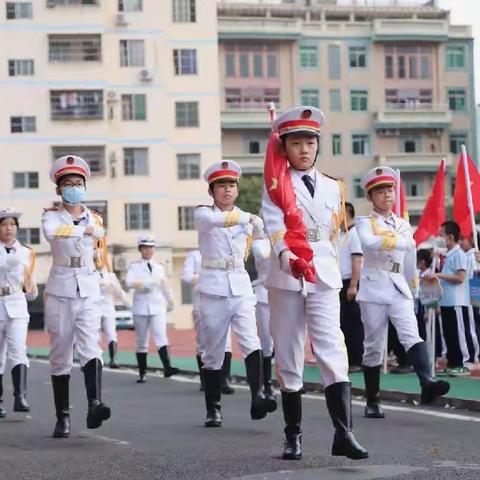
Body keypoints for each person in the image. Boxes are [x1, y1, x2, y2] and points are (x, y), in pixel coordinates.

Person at [262, 106, 368, 461]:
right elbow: (274, 226)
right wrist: (286, 256)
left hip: (322, 272)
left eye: (310, 142)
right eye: (296, 143)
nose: (304, 149)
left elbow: (335, 234)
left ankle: (344, 433)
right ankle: (293, 436)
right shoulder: (276, 183)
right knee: (289, 353)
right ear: (284, 147)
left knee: (332, 348)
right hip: (288, 273)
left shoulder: (333, 186)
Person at [355, 166, 450, 420]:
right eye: (381, 191)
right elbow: (370, 243)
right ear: (370, 196)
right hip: (374, 286)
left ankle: (427, 381)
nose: (387, 195)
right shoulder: (365, 222)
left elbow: (409, 259)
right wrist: (403, 240)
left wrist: (415, 286)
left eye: (390, 190)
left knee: (412, 335)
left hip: (398, 285)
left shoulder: (403, 224)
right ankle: (373, 400)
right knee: (373, 347)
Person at [195, 160, 273, 428]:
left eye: (231, 185)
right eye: (221, 185)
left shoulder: (248, 221)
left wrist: (264, 236)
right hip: (213, 288)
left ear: (237, 190)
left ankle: (258, 397)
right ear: (212, 191)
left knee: (252, 341)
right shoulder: (204, 214)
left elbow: (261, 251)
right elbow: (219, 221)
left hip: (240, 285)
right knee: (214, 353)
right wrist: (252, 219)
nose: (227, 190)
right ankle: (213, 408)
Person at [42, 155, 111, 438]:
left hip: (89, 288)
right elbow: (52, 234)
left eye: (78, 183)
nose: (74, 188)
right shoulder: (51, 215)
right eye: (68, 184)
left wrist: (89, 227)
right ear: (59, 190)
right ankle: (63, 416)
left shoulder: (95, 217)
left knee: (91, 347)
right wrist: (83, 229)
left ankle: (94, 403)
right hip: (61, 291)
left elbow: (101, 235)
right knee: (60, 354)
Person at [125, 235, 179, 382]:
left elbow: (165, 287)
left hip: (157, 306)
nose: (148, 251)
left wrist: (171, 302)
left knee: (161, 337)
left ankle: (167, 367)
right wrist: (148, 283)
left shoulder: (159, 267)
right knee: (142, 342)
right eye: (144, 248)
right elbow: (129, 282)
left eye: (150, 248)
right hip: (141, 307)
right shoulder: (134, 266)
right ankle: (142, 373)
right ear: (140, 249)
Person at [0, 207, 37, 418]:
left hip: (17, 304)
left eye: (12, 224)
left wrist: (31, 289)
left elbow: (30, 289)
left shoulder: (26, 252)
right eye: (4, 224)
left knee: (18, 350)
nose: (9, 229)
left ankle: (20, 397)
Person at [426, 222, 473, 376]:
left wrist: (439, 275)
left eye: (441, 235)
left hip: (456, 302)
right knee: (449, 334)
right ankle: (452, 363)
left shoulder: (459, 254)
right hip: (446, 301)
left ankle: (461, 363)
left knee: (458, 333)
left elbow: (460, 277)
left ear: (450, 237)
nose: (439, 238)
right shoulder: (447, 255)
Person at [251, 224, 276, 409]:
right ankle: (267, 383)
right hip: (264, 293)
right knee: (266, 342)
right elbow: (264, 255)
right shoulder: (259, 243)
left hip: (284, 293)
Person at [338, 202, 364, 372]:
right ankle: (345, 359)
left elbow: (357, 261)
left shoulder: (354, 234)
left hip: (350, 283)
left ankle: (356, 360)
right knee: (342, 324)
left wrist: (353, 286)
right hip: (339, 283)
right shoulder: (341, 234)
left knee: (353, 323)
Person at [98, 260, 131, 369]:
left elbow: (119, 292)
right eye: (95, 260)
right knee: (94, 336)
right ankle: (93, 360)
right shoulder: (89, 274)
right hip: (93, 308)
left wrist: (130, 305)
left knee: (111, 334)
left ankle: (113, 358)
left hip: (108, 308)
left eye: (99, 259)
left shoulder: (111, 276)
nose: (98, 262)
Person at [459, 232, 480, 365]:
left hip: (473, 294)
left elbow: (473, 278)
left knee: (473, 326)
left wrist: (474, 298)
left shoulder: (472, 255)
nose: (461, 242)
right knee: (472, 326)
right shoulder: (468, 255)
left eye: (463, 239)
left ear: (472, 240)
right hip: (470, 295)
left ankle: (475, 356)